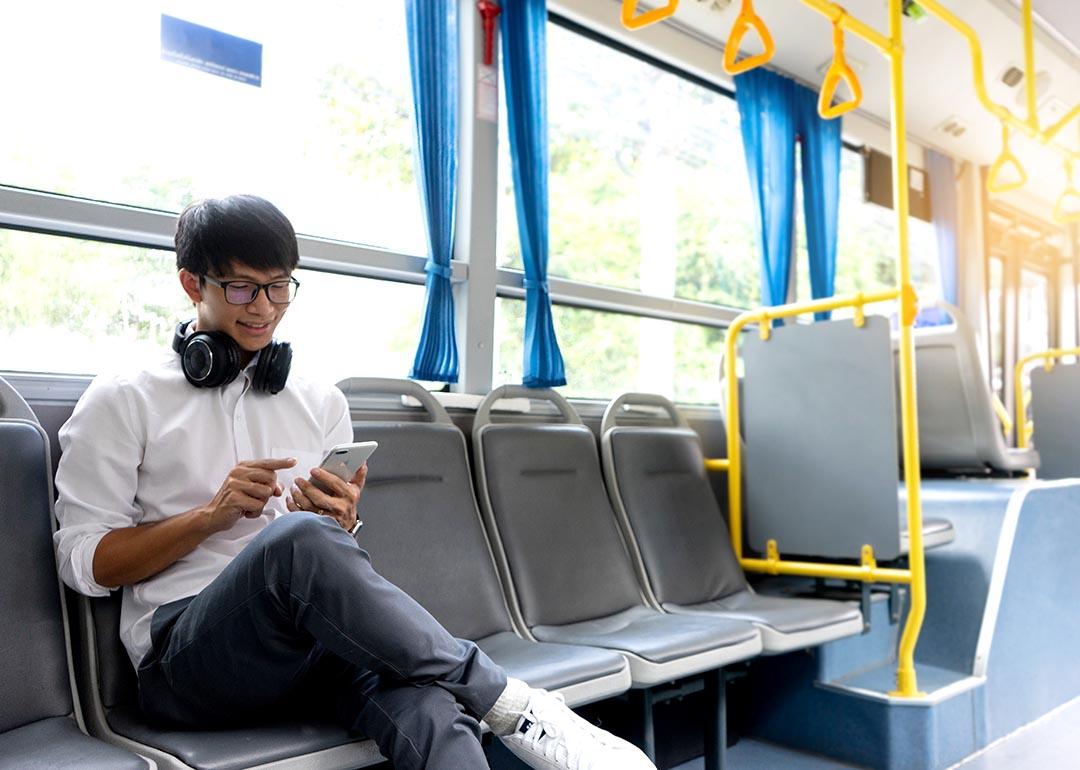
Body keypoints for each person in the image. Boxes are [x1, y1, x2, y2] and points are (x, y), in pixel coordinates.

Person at [53, 195, 655, 770]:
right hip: (187, 665)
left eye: (281, 286)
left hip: (308, 647)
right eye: (242, 287)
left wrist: (341, 523)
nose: (264, 307)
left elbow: (325, 560)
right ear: (193, 284)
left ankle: (498, 708)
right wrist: (208, 518)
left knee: (430, 707)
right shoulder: (125, 396)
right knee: (296, 544)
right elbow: (83, 563)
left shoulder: (318, 401)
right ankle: (513, 705)